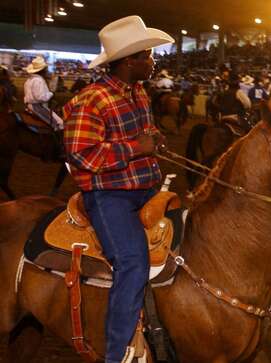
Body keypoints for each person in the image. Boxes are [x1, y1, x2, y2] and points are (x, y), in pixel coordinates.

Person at [62, 16, 173, 363]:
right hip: (109, 195)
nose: (154, 61)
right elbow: (80, 154)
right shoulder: (90, 101)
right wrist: (135, 148)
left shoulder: (139, 92)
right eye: (149, 55)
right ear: (130, 60)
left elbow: (141, 135)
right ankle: (118, 353)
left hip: (145, 187)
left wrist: (153, 140)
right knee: (133, 262)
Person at [22, 56, 64, 131]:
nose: (47, 70)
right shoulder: (39, 80)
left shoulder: (29, 80)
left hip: (29, 106)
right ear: (42, 70)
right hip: (37, 107)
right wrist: (51, 94)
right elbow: (41, 97)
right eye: (46, 69)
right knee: (60, 123)